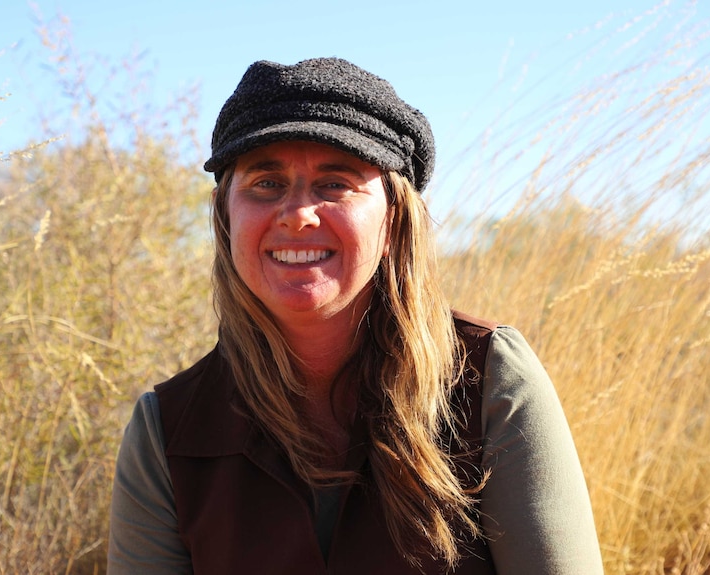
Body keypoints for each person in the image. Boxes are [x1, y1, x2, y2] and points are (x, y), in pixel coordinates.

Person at [107, 57, 604, 574]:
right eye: (266, 183)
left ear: (393, 219)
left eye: (336, 183)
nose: (299, 213)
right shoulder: (168, 430)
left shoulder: (488, 378)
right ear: (226, 216)